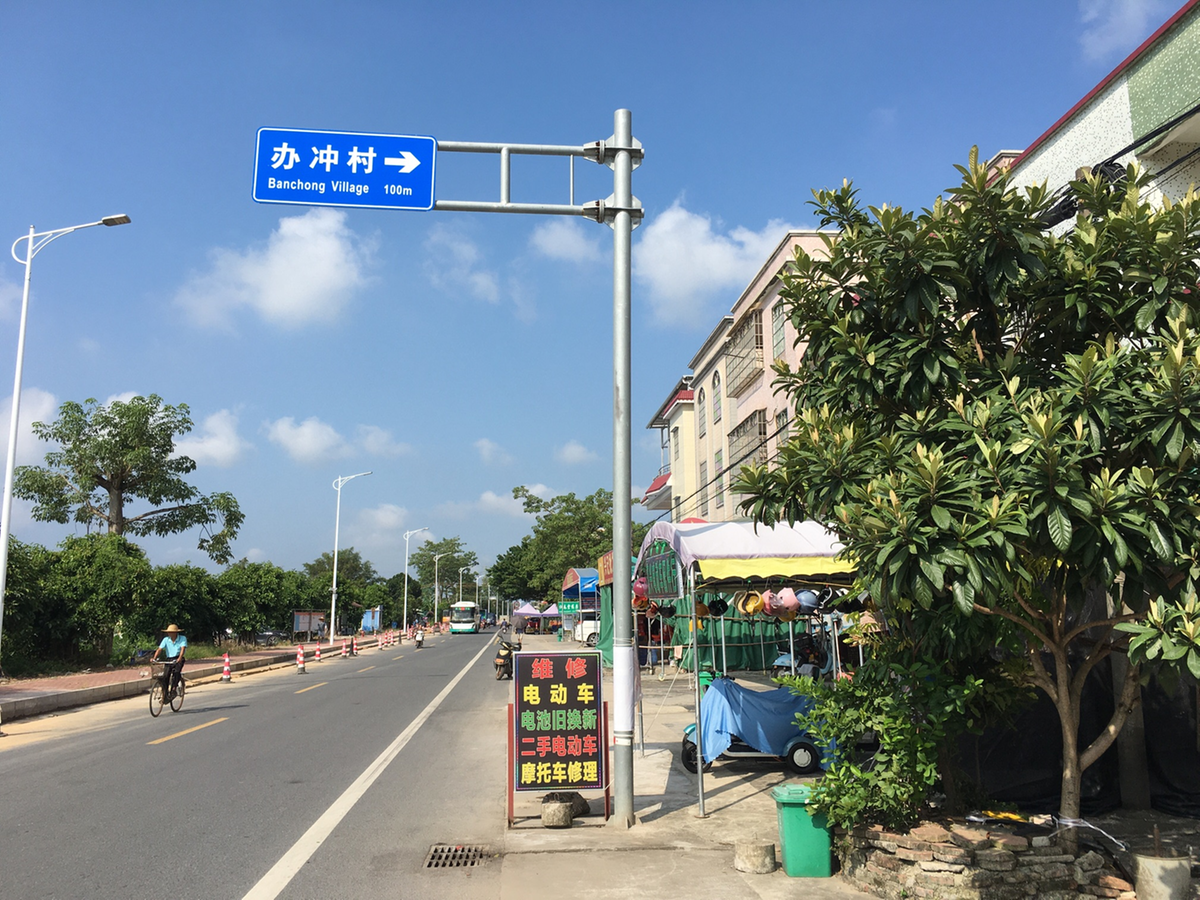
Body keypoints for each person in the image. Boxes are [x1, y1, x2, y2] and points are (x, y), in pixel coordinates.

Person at [151, 624, 187, 697]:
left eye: (171, 632)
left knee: (176, 672)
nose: (169, 633)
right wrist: (154, 658)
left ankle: (174, 689)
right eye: (169, 632)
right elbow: (159, 649)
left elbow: (182, 649)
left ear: (175, 632)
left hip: (178, 658)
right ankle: (165, 693)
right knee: (165, 675)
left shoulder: (182, 638)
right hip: (169, 659)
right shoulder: (166, 640)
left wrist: (179, 658)